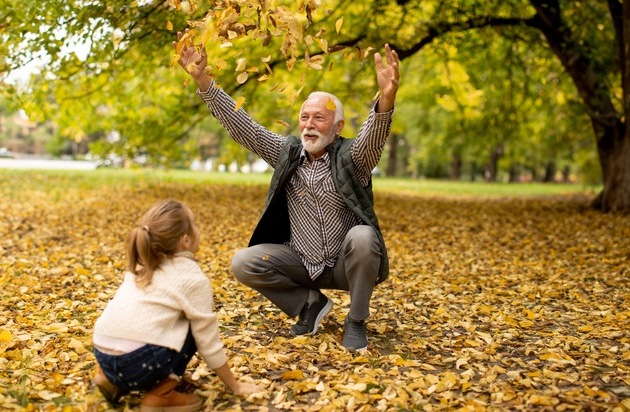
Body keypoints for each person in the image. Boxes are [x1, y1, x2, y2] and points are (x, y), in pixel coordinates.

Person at [173, 29, 400, 351]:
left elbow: (373, 137)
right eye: (304, 117)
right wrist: (204, 83)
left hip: (345, 268)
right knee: (245, 261)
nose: (309, 124)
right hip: (301, 262)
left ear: (338, 128)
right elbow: (245, 129)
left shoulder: (353, 158)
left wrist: (386, 100)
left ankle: (356, 320)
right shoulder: (287, 153)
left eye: (319, 118)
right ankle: (309, 304)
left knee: (364, 236)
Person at [92, 199, 262, 411]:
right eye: (195, 225)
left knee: (145, 321)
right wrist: (235, 386)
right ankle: (159, 396)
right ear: (186, 240)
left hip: (103, 354)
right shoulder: (192, 278)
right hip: (141, 363)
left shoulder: (141, 266)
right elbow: (207, 340)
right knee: (194, 326)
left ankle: (106, 379)